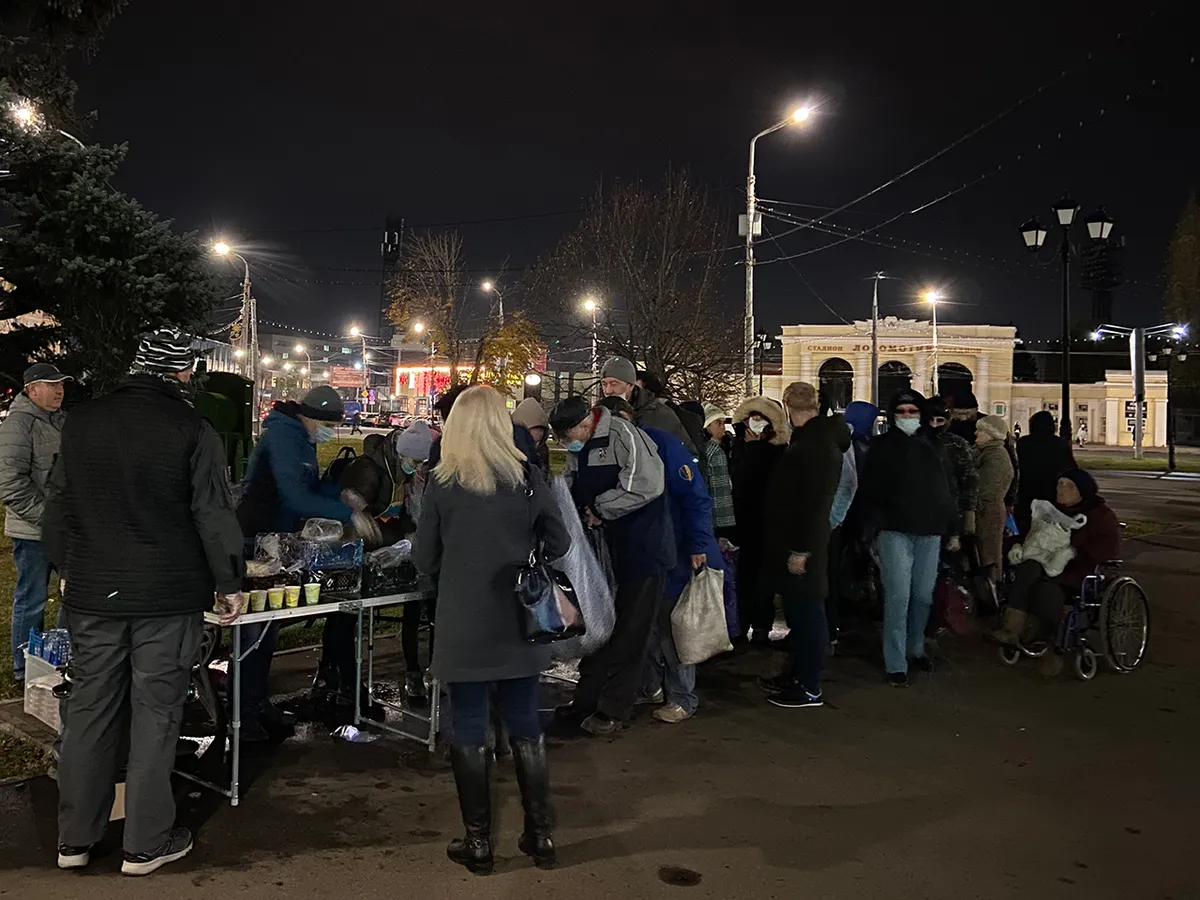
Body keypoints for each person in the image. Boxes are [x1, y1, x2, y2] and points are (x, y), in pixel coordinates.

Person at [43, 328, 245, 876]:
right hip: (167, 593)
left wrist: (68, 570)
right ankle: (146, 842)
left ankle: (74, 840)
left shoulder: (82, 421)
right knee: (157, 713)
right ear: (178, 372)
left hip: (93, 593)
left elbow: (58, 507)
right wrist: (229, 583)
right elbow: (212, 513)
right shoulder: (190, 428)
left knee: (88, 710)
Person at [414, 386, 570, 875]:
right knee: (525, 722)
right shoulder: (526, 477)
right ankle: (540, 836)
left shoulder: (441, 483)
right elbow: (559, 539)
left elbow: (423, 558)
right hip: (518, 617)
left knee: (468, 724)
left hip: (464, 619)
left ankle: (478, 843)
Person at [236, 385, 378, 740]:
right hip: (256, 539)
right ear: (316, 418)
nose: (332, 431)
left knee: (267, 629)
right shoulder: (284, 437)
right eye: (332, 424)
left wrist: (340, 494)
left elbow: (309, 485)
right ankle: (242, 716)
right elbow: (296, 495)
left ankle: (256, 705)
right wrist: (349, 515)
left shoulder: (302, 437)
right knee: (254, 630)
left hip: (277, 540)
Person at [550, 395, 674, 736]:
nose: (568, 443)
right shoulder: (585, 447)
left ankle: (613, 709)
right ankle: (585, 700)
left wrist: (601, 509)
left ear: (586, 422)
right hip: (607, 551)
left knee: (630, 633)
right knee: (600, 626)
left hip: (643, 550)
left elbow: (646, 485)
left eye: (569, 434)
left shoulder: (624, 435)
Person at [599, 397, 722, 725]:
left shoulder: (663, 445)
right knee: (646, 626)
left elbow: (695, 497)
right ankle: (651, 684)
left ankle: (683, 695)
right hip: (637, 551)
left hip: (673, 549)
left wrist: (698, 544)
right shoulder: (607, 450)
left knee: (671, 625)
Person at [758, 383, 848, 709]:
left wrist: (800, 551)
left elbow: (811, 505)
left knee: (808, 615)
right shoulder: (818, 442)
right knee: (803, 614)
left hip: (803, 546)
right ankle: (801, 679)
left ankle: (809, 687)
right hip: (804, 542)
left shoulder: (813, 446)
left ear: (786, 405)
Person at [862, 389, 960, 687]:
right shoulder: (881, 447)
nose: (907, 416)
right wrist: (871, 529)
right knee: (898, 596)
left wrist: (953, 528)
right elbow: (870, 490)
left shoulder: (934, 445)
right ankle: (895, 661)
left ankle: (915, 647)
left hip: (929, 530)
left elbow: (947, 490)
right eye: (901, 411)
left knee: (922, 596)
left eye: (912, 411)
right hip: (894, 530)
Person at [989, 469, 1120, 677]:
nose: (1061, 489)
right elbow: (1028, 536)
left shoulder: (1100, 516)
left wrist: (1068, 554)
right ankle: (1013, 628)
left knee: (1045, 592)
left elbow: (1103, 551)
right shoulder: (1049, 511)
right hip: (1041, 564)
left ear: (1081, 491)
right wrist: (1015, 546)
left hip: (1074, 573)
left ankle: (1050, 645)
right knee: (1027, 568)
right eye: (1059, 484)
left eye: (1067, 485)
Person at [0, 363, 69, 684]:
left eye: (61, 385)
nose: (59, 391)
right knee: (32, 599)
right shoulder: (18, 425)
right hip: (33, 533)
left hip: (65, 530)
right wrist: (48, 518)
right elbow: (11, 484)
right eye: (51, 385)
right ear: (32, 389)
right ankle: (24, 666)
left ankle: (63, 659)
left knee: (75, 594)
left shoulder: (61, 421)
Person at [729, 396, 789, 643]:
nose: (755, 423)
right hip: (741, 523)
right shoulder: (737, 447)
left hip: (768, 524)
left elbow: (768, 483)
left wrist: (755, 452)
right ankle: (741, 626)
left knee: (764, 577)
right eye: (752, 418)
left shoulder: (779, 451)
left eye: (761, 419)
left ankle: (762, 627)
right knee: (743, 577)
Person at [599, 356, 696, 453]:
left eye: (614, 384)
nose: (608, 391)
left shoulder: (660, 414)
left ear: (631, 385)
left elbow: (685, 453)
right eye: (604, 384)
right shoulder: (599, 415)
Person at [1015, 410, 1076, 536]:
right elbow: (1070, 467)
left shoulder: (1024, 443)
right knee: (1050, 526)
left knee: (1026, 524)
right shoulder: (1059, 443)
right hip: (1052, 488)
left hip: (1028, 488)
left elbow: (1017, 466)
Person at [927, 395, 979, 538]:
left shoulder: (956, 444)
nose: (934, 425)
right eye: (930, 420)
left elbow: (969, 480)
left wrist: (970, 513)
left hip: (953, 512)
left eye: (939, 420)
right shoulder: (915, 443)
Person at [974, 415, 1015, 583]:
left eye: (981, 430)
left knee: (988, 555)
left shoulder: (996, 455)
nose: (976, 433)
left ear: (992, 434)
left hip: (987, 512)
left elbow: (987, 488)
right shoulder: (983, 452)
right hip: (982, 511)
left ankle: (990, 592)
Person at [701, 404, 736, 539]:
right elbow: (721, 492)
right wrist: (724, 529)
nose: (723, 426)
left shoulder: (708, 448)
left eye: (723, 422)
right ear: (708, 426)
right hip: (717, 520)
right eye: (718, 422)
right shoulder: (715, 452)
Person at [512, 396, 551, 476]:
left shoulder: (542, 450)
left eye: (541, 429)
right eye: (536, 429)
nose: (539, 433)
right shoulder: (514, 450)